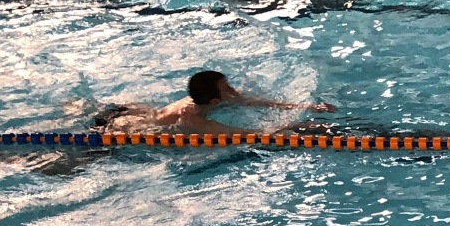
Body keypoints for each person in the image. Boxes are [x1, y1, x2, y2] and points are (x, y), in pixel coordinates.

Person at [93, 70, 336, 136]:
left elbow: (253, 102)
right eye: (227, 88)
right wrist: (296, 129)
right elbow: (252, 134)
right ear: (215, 100)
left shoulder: (204, 98)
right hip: (126, 128)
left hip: (135, 111)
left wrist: (306, 108)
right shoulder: (195, 121)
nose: (234, 90)